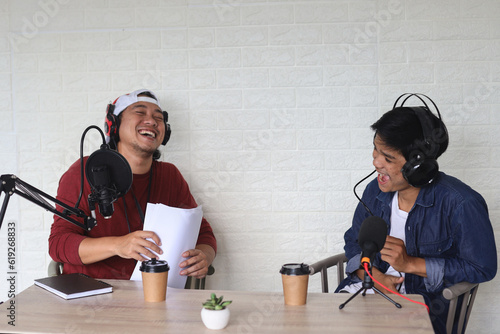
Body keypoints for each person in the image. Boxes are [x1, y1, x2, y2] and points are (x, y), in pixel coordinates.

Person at [335, 94, 497, 333]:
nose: (376, 162)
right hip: (370, 290)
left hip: (423, 305)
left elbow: (482, 267)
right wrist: (377, 278)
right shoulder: (374, 191)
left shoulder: (461, 203)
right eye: (375, 150)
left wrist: (411, 264)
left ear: (418, 167)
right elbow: (353, 241)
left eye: (388, 158)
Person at [49, 89, 216, 281]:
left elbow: (202, 232)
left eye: (158, 118)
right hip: (92, 297)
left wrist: (204, 257)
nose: (152, 121)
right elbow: (58, 244)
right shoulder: (86, 170)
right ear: (114, 125)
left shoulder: (170, 176)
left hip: (155, 297)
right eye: (139, 112)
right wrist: (118, 245)